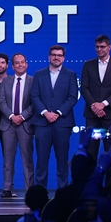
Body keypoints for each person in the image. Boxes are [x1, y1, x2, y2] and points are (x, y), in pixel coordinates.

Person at [31, 45, 78, 188]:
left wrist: (57, 113)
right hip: (42, 123)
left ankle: (63, 192)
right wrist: (45, 113)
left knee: (62, 161)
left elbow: (72, 97)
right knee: (41, 161)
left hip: (62, 123)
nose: (56, 57)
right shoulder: (39, 74)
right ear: (49, 57)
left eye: (59, 55)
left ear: (63, 58)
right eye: (54, 55)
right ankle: (40, 192)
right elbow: (34, 96)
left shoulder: (70, 75)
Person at [80, 34, 111, 159]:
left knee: (110, 148)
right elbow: (84, 88)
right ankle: (90, 172)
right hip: (92, 116)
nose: (99, 49)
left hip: (110, 115)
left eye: (102, 47)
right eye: (97, 47)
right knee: (91, 148)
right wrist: (94, 106)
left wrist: (103, 104)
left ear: (109, 47)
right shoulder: (88, 65)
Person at [0, 53, 35, 197]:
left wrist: (22, 116)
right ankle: (7, 189)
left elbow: (35, 102)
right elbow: (1, 101)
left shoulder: (33, 81)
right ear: (12, 66)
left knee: (27, 160)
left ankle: (29, 190)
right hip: (8, 124)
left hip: (26, 124)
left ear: (26, 64)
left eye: (22, 62)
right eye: (17, 63)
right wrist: (12, 116)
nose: (20, 65)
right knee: (8, 159)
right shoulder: (6, 81)